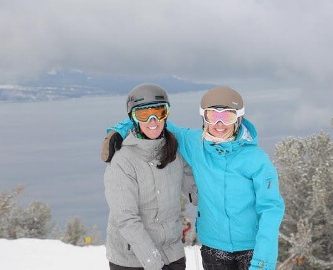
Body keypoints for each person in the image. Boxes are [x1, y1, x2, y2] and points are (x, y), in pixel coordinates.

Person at [103, 86, 285, 270]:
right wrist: (118, 130)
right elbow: (154, 119)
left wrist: (263, 261)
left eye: (227, 116)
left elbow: (271, 209)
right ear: (204, 117)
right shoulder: (194, 143)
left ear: (238, 118)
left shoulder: (256, 159)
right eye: (212, 116)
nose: (219, 124)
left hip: (250, 248)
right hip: (214, 248)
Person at [104, 83, 197, 270]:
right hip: (132, 260)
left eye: (159, 113)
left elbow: (196, 192)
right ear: (133, 118)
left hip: (172, 254)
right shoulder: (123, 161)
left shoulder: (175, 153)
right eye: (144, 114)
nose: (153, 121)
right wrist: (153, 263)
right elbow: (126, 218)